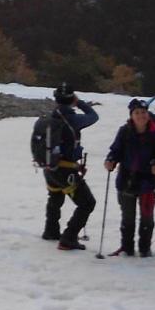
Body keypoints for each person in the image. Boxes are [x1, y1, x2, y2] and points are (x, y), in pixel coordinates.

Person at [104, 98, 155, 257]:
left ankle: (144, 248)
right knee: (128, 216)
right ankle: (127, 248)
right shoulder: (124, 131)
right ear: (131, 115)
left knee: (147, 217)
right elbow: (116, 151)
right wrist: (111, 160)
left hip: (148, 182)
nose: (141, 116)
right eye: (137, 113)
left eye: (143, 112)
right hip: (127, 179)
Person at [41, 83, 99, 251]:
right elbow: (93, 116)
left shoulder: (51, 118)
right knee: (87, 203)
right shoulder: (73, 120)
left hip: (49, 167)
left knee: (55, 196)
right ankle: (68, 238)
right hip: (66, 169)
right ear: (71, 98)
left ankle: (51, 231)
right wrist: (79, 103)